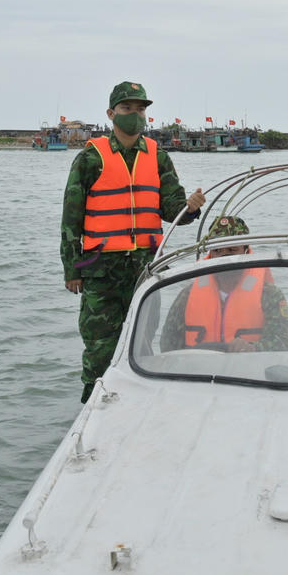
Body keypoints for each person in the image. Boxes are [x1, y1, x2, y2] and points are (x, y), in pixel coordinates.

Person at [61, 80, 206, 402]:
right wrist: (72, 269)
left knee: (141, 343)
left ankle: (137, 402)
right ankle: (93, 405)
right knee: (100, 346)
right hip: (100, 269)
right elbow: (71, 218)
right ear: (111, 113)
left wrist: (191, 207)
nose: (135, 114)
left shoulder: (158, 157)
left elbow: (172, 211)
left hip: (145, 268)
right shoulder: (90, 158)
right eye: (127, 108)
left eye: (140, 109)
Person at [158, 215, 288, 353]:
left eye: (232, 250)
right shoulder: (187, 296)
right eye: (217, 250)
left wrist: (253, 348)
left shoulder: (270, 295)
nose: (224, 257)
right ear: (210, 254)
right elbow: (168, 345)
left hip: (249, 366)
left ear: (246, 251)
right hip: (199, 366)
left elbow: (282, 342)